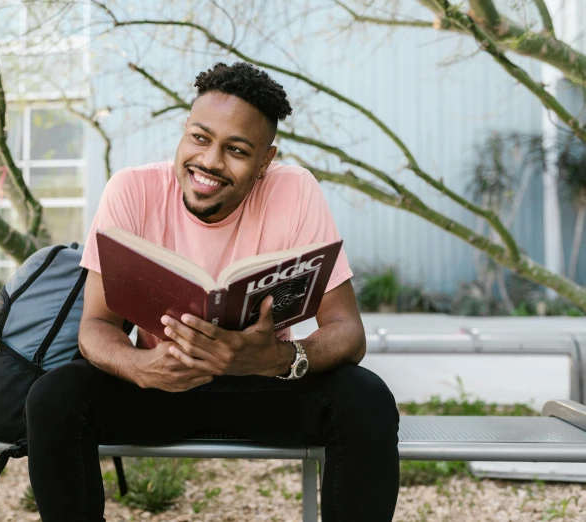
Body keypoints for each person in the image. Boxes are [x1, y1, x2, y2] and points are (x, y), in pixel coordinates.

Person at [25, 61, 400, 521]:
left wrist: (276, 359)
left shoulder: (295, 191)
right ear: (184, 132)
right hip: (159, 384)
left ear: (266, 160)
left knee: (367, 399)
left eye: (237, 150)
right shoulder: (131, 190)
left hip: (264, 386)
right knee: (53, 398)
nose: (210, 162)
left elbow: (347, 331)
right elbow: (96, 326)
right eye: (200, 138)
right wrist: (140, 366)